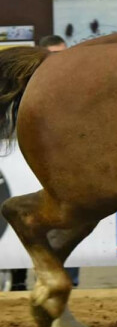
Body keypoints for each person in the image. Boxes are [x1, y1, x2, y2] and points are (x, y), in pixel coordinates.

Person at [11, 34, 80, 291]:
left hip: (63, 166)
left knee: (75, 217)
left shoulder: (76, 92)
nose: (57, 62)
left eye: (62, 55)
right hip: (26, 166)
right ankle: (23, 281)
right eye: (52, 55)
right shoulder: (31, 92)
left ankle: (65, 281)